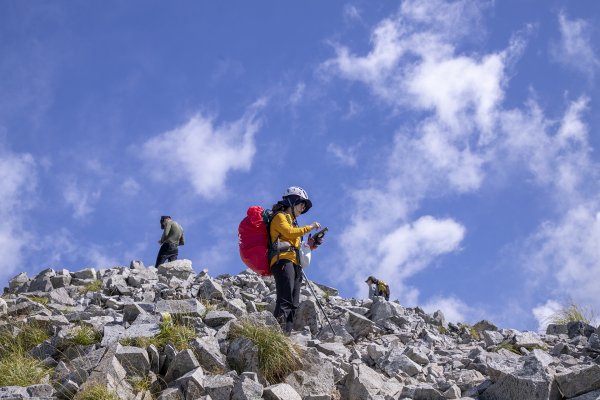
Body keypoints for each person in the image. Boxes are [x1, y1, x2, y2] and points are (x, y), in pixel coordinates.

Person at [269, 187, 321, 333]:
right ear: (291, 201)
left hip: (295, 264)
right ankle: (275, 334)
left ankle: (285, 336)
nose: (303, 208)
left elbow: (298, 247)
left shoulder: (294, 224)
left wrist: (312, 244)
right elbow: (288, 233)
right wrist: (309, 227)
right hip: (283, 261)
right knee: (285, 298)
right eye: (301, 204)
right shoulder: (279, 217)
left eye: (304, 206)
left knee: (294, 303)